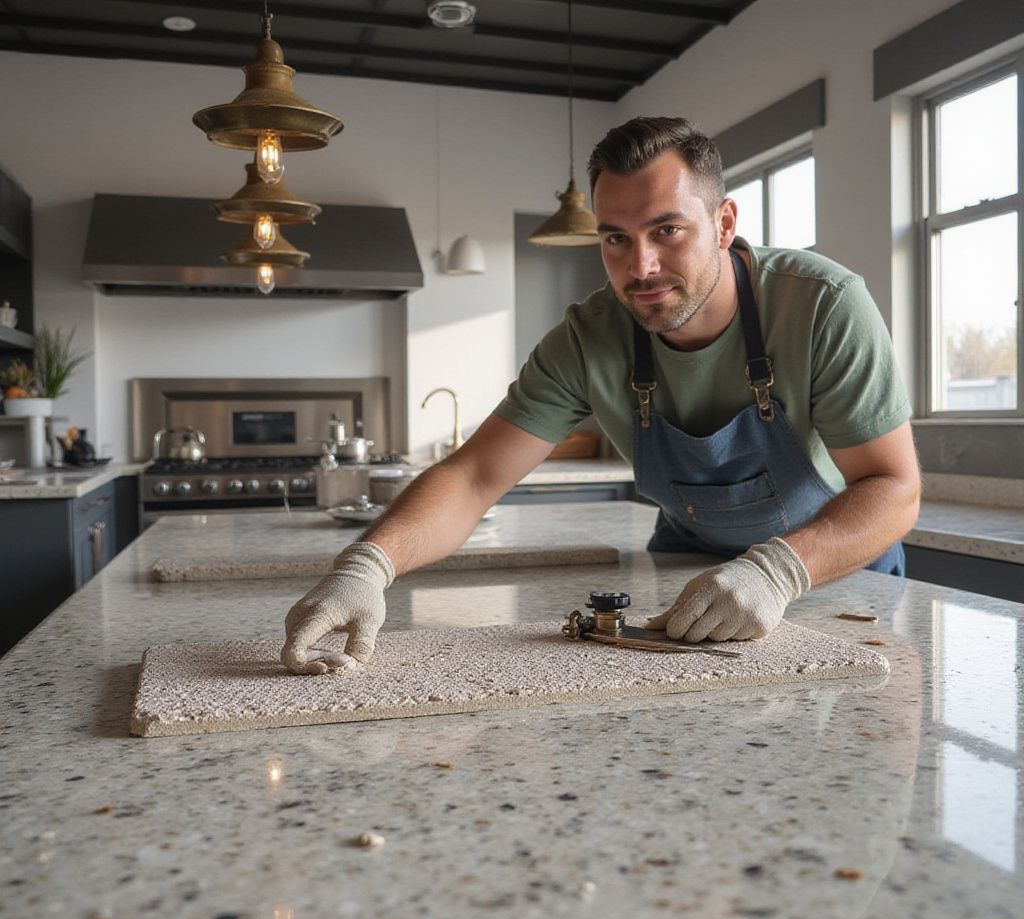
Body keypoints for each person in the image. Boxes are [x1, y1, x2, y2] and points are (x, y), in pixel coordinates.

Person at [281, 116, 920, 675]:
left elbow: (893, 488)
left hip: (831, 577)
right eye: (615, 238)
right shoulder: (589, 337)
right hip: (684, 578)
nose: (639, 268)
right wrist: (366, 565)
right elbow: (474, 476)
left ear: (724, 222)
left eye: (667, 230)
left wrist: (777, 571)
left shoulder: (823, 305)